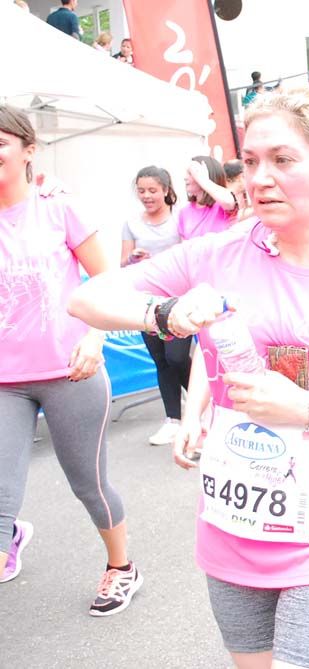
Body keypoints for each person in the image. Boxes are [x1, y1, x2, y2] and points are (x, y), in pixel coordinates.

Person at [69, 84, 309, 668]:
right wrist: (165, 314)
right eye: (249, 162)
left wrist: (307, 409)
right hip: (237, 516)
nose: (259, 178)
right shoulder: (217, 255)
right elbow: (89, 299)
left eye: (283, 160)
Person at [0, 105, 140, 615]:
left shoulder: (58, 208)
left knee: (90, 484)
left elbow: (108, 279)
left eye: (0, 143)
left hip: (71, 372)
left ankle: (122, 568)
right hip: (5, 383)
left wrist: (96, 338)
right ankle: (8, 534)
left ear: (28, 151)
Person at [121, 166, 191, 446]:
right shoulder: (131, 223)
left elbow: (191, 254)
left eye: (152, 190)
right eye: (141, 191)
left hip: (177, 299)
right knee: (161, 360)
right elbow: (122, 262)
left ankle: (206, 404)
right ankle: (173, 419)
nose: (147, 196)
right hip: (146, 301)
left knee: (176, 357)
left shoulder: (180, 219)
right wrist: (133, 258)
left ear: (165, 190)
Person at [177, 156, 239, 240]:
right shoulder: (184, 211)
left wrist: (203, 180)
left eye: (190, 173)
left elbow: (229, 202)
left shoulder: (221, 206)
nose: (185, 178)